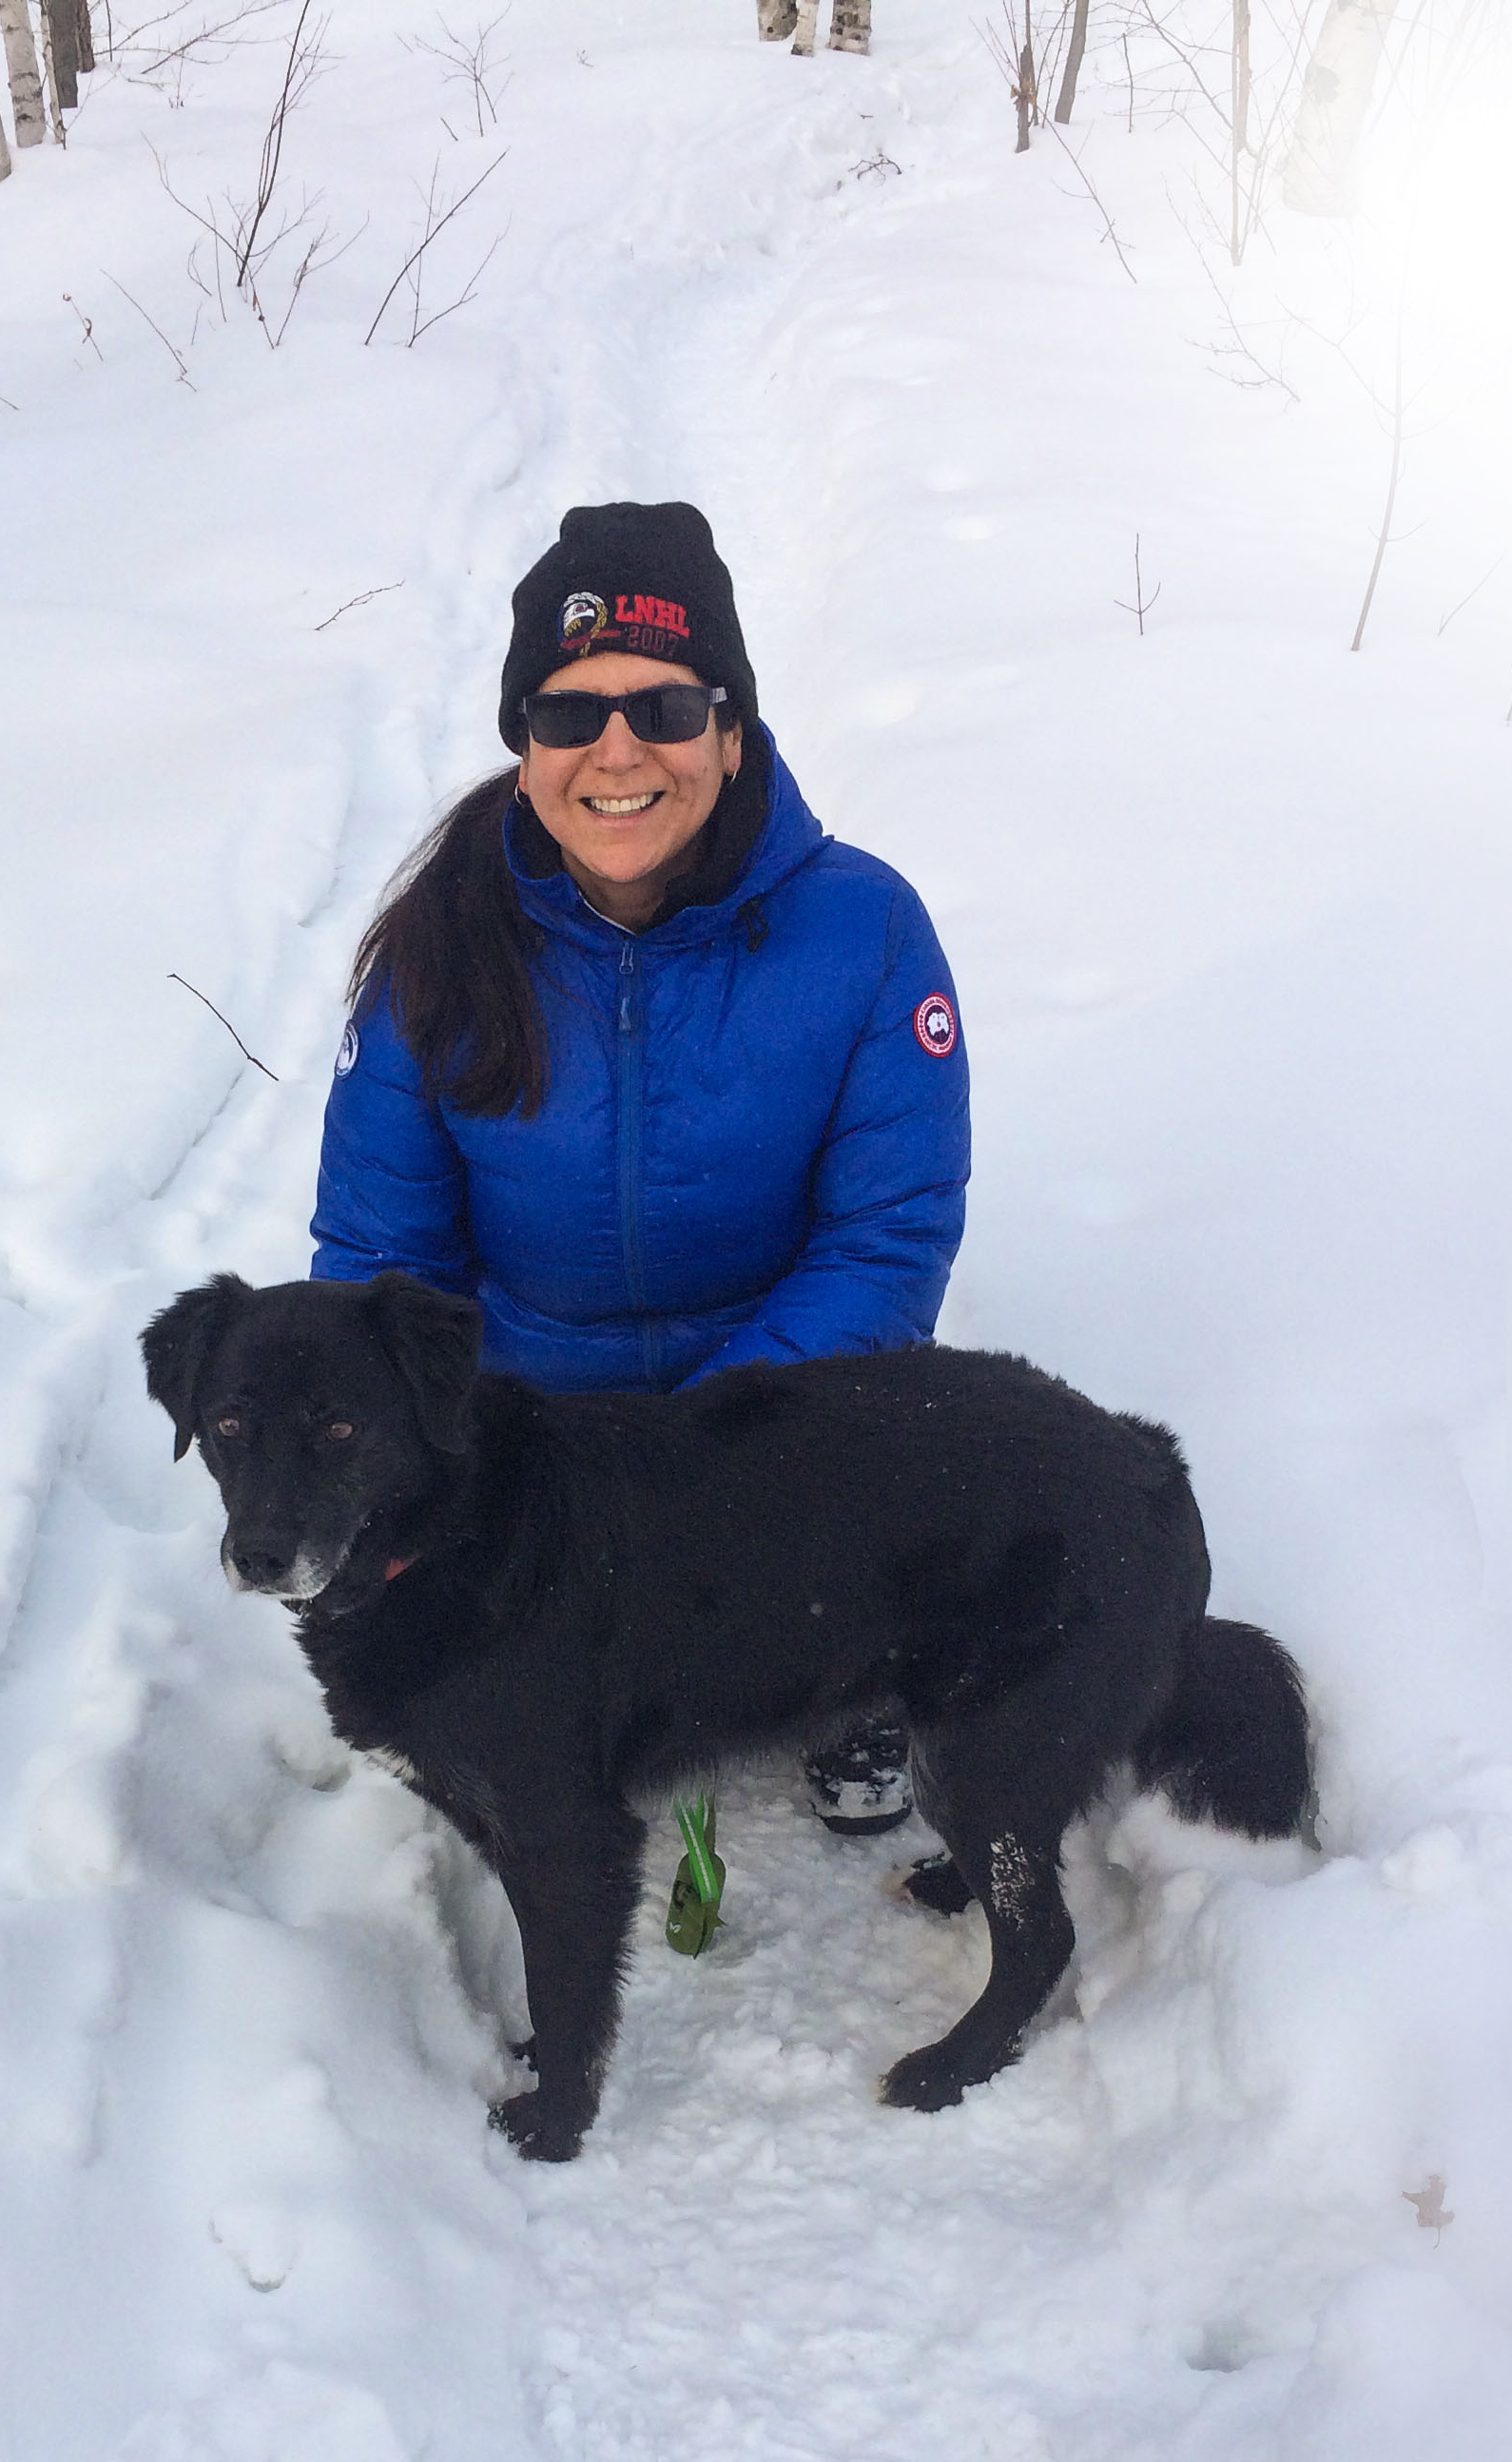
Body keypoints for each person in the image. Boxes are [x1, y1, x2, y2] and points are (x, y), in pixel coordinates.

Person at [309, 500, 969, 1833]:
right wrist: (463, 1449)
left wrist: (708, 1444)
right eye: (566, 714)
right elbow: (384, 1262)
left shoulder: (867, 931)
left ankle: (853, 1680)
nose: (616, 750)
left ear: (728, 733)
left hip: (775, 1411)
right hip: (529, 1421)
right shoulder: (436, 950)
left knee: (908, 1454)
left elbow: (883, 1238)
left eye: (663, 708)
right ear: (524, 744)